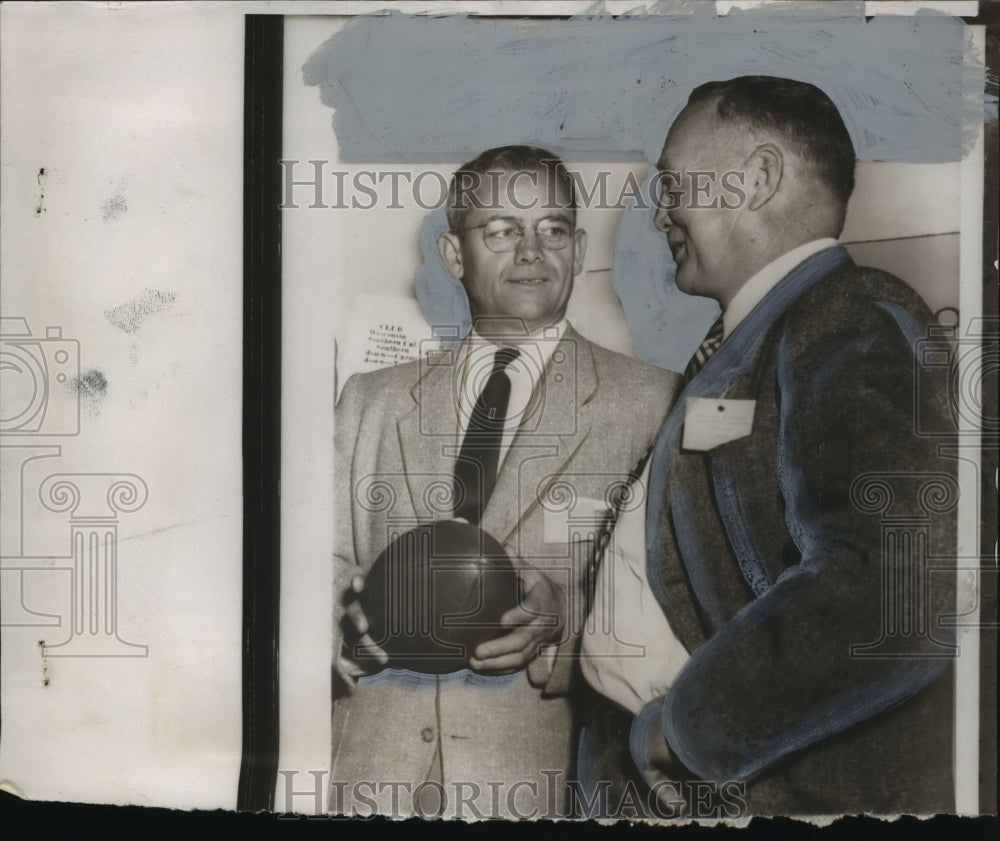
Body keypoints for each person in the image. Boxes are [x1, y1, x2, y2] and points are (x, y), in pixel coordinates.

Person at [579, 76, 958, 817]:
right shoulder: (758, 338)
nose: (660, 213)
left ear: (756, 178)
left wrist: (685, 733)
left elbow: (897, 591)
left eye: (672, 184)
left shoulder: (847, 317)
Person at [331, 146, 680, 818]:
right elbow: (308, 565)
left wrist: (566, 622)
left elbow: (685, 604)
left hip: (541, 783)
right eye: (500, 231)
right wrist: (339, 618)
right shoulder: (368, 400)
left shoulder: (656, 404)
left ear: (578, 250)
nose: (530, 251)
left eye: (551, 229)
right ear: (454, 256)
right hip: (366, 778)